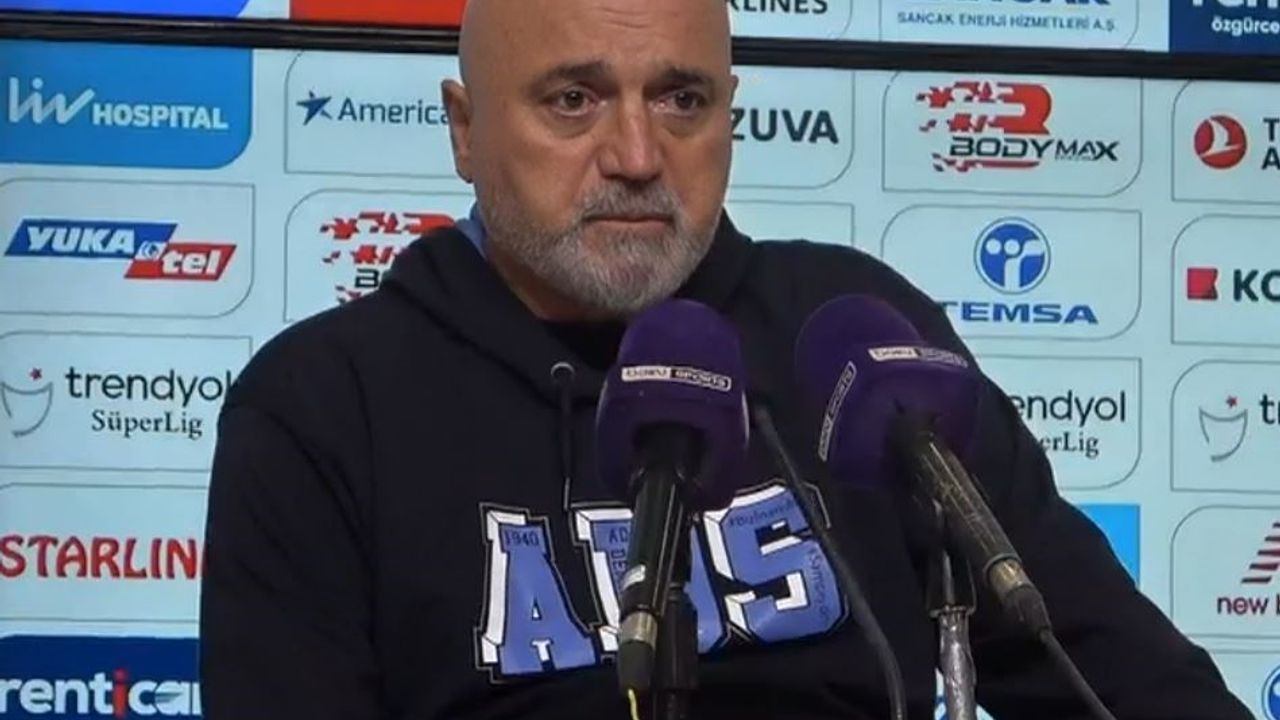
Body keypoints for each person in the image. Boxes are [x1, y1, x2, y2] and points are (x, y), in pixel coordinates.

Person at [198, 1, 1253, 718]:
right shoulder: (323, 406)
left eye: (681, 100)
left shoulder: (856, 337)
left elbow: (1112, 671)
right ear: (465, 131)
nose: (636, 156)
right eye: (572, 101)